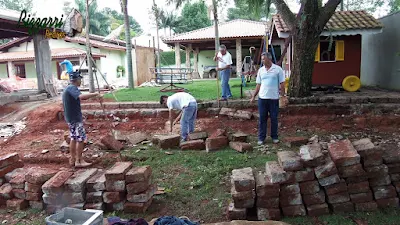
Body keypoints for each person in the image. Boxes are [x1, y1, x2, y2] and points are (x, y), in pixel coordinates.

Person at [62, 72, 102, 168]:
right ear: (77, 80)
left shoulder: (68, 88)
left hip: (70, 118)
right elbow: (81, 97)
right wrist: (95, 94)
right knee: (80, 139)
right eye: (80, 79)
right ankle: (79, 161)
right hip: (75, 119)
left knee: (74, 138)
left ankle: (73, 159)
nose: (81, 81)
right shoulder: (72, 88)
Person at [250, 52, 285, 145]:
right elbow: (258, 85)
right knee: (262, 118)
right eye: (262, 59)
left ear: (269, 59)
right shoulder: (261, 70)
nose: (262, 60)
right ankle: (261, 138)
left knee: (274, 118)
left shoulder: (278, 69)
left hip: (274, 99)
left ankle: (274, 137)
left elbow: (282, 83)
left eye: (263, 59)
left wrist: (283, 95)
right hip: (262, 98)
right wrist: (253, 96)